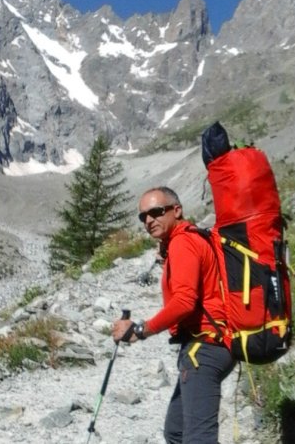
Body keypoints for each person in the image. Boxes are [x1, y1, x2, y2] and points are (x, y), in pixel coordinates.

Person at [112, 186, 234, 444]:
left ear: (176, 210)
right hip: (210, 345)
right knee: (176, 431)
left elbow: (184, 302)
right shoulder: (188, 239)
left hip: (205, 347)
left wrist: (141, 330)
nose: (148, 220)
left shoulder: (183, 243)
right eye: (143, 216)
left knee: (198, 438)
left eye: (156, 212)